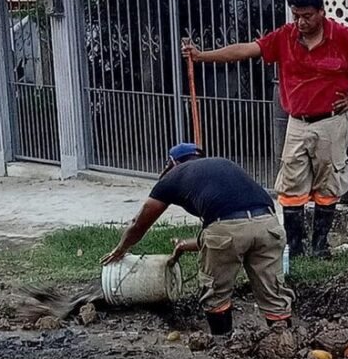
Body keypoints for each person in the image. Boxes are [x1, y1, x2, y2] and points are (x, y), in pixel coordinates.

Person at [182, 0, 348, 258]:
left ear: (321, 12)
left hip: (331, 122)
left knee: (329, 184)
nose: (301, 22)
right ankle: (295, 247)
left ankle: (320, 246)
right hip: (297, 123)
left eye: (307, 16)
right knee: (291, 186)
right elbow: (247, 50)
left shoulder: (343, 37)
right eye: (296, 16)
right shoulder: (284, 36)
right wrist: (202, 56)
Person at [102, 144, 294, 336]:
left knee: (216, 293)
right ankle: (284, 341)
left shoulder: (174, 176)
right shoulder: (223, 165)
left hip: (226, 229)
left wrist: (121, 248)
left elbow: (139, 223)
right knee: (273, 292)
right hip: (270, 226)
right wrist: (184, 245)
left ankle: (223, 344)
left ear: (172, 163)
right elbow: (241, 227)